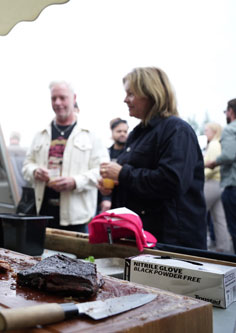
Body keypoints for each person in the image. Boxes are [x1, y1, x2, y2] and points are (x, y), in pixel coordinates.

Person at [99, 67, 207, 249]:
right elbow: (137, 182)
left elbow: (172, 182)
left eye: (131, 94)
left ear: (151, 94)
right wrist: (113, 188)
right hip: (143, 236)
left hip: (171, 240)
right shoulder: (137, 134)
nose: (125, 99)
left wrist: (123, 174)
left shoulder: (177, 130)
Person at [22, 80, 109, 232]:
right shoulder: (40, 134)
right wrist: (35, 171)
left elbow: (102, 171)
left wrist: (75, 182)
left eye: (62, 98)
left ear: (74, 98)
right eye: (53, 98)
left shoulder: (91, 135)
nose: (57, 103)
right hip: (43, 214)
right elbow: (26, 166)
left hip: (77, 218)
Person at [206, 99, 236, 253]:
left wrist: (209, 165)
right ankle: (223, 248)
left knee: (197, 210)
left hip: (226, 184)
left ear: (230, 111)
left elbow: (228, 156)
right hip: (223, 184)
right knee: (220, 219)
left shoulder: (229, 130)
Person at [98, 118, 129, 213]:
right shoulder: (106, 153)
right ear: (112, 132)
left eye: (125, 131)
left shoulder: (130, 154)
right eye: (119, 131)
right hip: (106, 198)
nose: (122, 134)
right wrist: (106, 199)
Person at [7, 131, 27, 199]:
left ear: (10, 139)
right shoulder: (25, 151)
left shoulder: (5, 151)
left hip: (8, 186)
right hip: (23, 186)